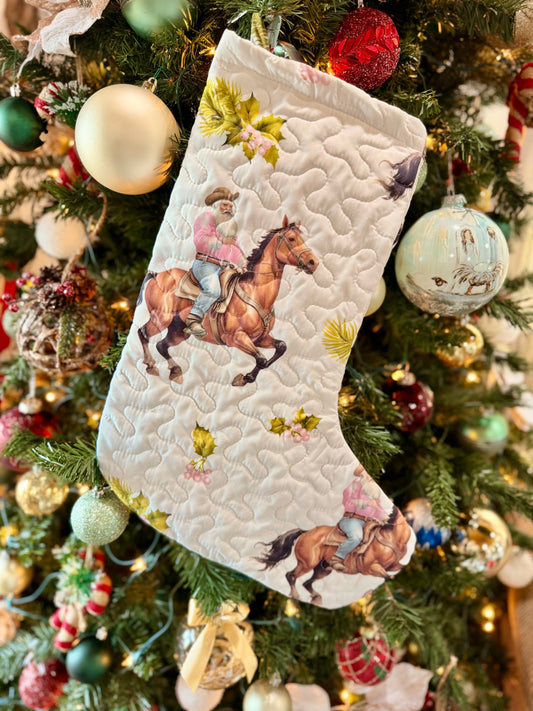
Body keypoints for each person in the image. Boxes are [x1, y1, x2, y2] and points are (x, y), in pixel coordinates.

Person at [184, 187, 246, 338]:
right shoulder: (205, 218)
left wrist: (243, 263)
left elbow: (234, 248)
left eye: (230, 206)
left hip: (223, 266)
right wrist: (221, 241)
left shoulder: (228, 226)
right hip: (205, 264)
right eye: (224, 205)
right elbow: (200, 241)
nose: (228, 208)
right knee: (213, 290)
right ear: (216, 206)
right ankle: (194, 319)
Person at [329, 464, 390, 572]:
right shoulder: (354, 486)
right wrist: (365, 503)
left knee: (380, 538)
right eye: (367, 475)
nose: (369, 477)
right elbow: (346, 503)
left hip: (368, 522)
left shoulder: (373, 491)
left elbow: (378, 508)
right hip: (351, 519)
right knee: (356, 537)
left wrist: (385, 517)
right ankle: (337, 558)